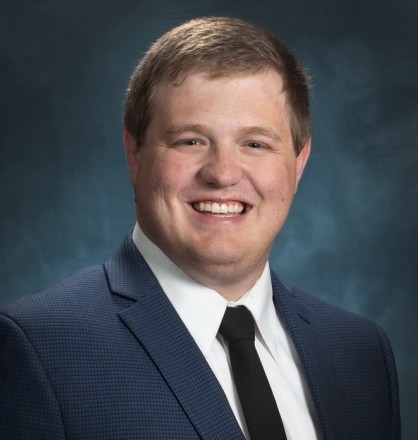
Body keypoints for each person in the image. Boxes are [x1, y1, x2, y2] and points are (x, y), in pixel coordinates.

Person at [0, 17, 400, 440]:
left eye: (256, 144)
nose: (223, 173)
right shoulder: (38, 347)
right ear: (135, 155)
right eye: (190, 141)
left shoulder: (361, 352)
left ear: (298, 163)